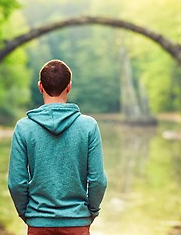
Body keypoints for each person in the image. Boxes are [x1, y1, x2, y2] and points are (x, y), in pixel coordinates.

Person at [8, 59, 107, 235]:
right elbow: (98, 180)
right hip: (77, 223)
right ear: (69, 86)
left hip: (39, 224)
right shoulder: (88, 126)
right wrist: (90, 212)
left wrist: (29, 214)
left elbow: (16, 183)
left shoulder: (24, 128)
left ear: (40, 86)